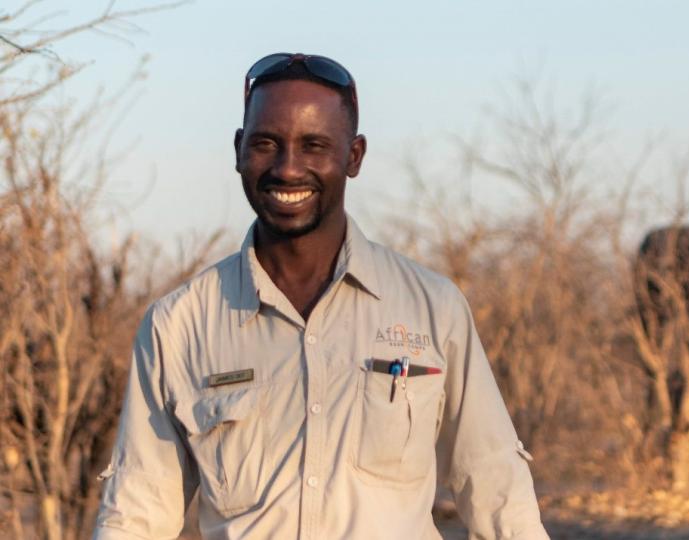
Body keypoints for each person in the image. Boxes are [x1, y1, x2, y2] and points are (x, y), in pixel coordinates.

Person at [93, 53, 549, 540]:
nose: (288, 169)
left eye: (314, 146)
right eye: (267, 144)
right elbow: (137, 512)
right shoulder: (178, 326)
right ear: (238, 150)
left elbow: (496, 486)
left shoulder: (433, 308)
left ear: (353, 157)